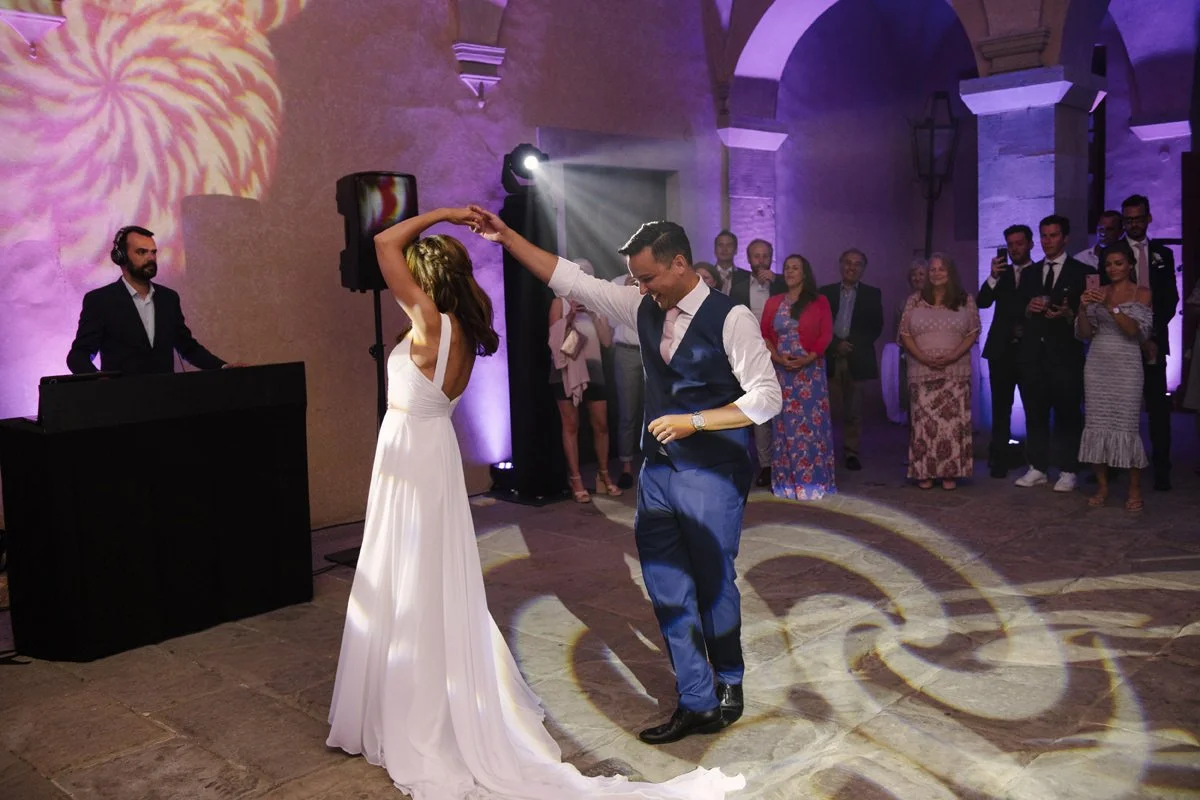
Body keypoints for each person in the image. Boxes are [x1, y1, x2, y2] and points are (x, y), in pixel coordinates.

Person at [326, 207, 744, 799]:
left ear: (423, 283)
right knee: (429, 578)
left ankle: (413, 703)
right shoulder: (462, 331)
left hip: (412, 458)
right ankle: (431, 683)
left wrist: (445, 213)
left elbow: (383, 241)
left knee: (407, 575)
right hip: (431, 454)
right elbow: (566, 280)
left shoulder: (427, 322)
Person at [470, 206, 780, 748]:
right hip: (657, 474)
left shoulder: (731, 318)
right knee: (666, 588)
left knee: (712, 582)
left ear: (680, 264)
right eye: (637, 280)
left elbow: (767, 397)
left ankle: (729, 681)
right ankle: (696, 698)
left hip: (712, 472)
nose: (641, 288)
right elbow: (568, 278)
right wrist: (508, 237)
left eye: (649, 277)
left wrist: (695, 421)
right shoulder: (642, 305)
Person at [67, 226, 231, 374]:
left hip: (166, 398)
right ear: (121, 257)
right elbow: (78, 355)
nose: (151, 258)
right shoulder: (100, 301)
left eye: (153, 252)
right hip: (121, 401)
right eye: (141, 252)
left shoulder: (169, 299)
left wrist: (223, 367)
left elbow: (188, 347)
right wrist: (97, 379)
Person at [1014, 215, 1095, 492]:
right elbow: (1016, 312)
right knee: (1034, 412)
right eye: (1044, 236)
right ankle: (1037, 466)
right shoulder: (1030, 273)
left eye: (1054, 235)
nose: (1048, 241)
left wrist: (1068, 313)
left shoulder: (1081, 272)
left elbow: (1092, 317)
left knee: (1067, 414)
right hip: (1034, 355)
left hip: (1065, 355)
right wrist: (1028, 308)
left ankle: (1068, 468)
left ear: (1066, 238)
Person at [1076, 241, 1153, 511]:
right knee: (1096, 425)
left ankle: (1133, 488)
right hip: (1097, 365)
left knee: (1127, 427)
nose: (1112, 268)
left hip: (1127, 365)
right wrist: (1083, 308)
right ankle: (1103, 486)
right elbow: (1085, 333)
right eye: (1108, 264)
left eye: (1118, 263)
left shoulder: (1141, 293)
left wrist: (1110, 304)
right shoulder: (1097, 292)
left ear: (1130, 265)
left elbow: (1135, 331)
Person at [899, 253, 980, 490]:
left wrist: (953, 356)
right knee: (923, 424)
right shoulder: (914, 300)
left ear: (951, 272)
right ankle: (923, 471)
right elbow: (904, 333)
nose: (936, 273)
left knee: (951, 425)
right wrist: (922, 357)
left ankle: (950, 472)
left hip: (954, 370)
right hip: (921, 370)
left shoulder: (966, 300)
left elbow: (973, 331)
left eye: (941, 269)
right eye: (932, 269)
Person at [760, 254, 835, 500]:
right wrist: (778, 358)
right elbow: (765, 335)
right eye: (787, 268)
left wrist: (808, 358)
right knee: (785, 428)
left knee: (811, 429)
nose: (791, 272)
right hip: (782, 372)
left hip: (810, 373)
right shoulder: (773, 303)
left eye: (796, 268)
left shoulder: (819, 301)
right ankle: (787, 483)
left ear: (805, 273)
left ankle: (813, 484)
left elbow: (826, 334)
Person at [548, 259, 621, 502]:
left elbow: (607, 342)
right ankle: (576, 478)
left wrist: (590, 311)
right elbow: (556, 342)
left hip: (594, 369)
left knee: (601, 424)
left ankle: (603, 475)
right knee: (571, 425)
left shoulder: (597, 305)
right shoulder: (559, 302)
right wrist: (569, 317)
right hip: (566, 370)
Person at [1120, 194, 1178, 491]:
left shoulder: (1162, 254)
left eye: (1138, 218)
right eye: (1128, 219)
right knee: (1122, 408)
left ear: (1148, 218)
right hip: (1122, 341)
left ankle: (1162, 467)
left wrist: (1151, 331)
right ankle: (1117, 465)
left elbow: (1170, 297)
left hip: (1154, 340)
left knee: (1157, 407)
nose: (1133, 224)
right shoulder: (1114, 252)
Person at [978, 224, 1036, 478]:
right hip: (1000, 349)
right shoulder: (1000, 274)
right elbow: (982, 301)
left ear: (1030, 244)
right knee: (1000, 407)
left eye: (1019, 243)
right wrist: (992, 275)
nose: (1014, 249)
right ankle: (998, 459)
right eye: (1010, 244)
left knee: (1035, 406)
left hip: (1030, 349)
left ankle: (1036, 460)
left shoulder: (1039, 272)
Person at [819, 248, 884, 471]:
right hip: (830, 356)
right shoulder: (824, 293)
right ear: (840, 265)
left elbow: (875, 326)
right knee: (826, 408)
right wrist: (836, 343)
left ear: (863, 269)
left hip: (858, 357)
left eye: (857, 264)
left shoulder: (872, 294)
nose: (852, 267)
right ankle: (822, 450)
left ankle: (851, 452)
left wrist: (850, 343)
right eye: (848, 262)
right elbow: (819, 324)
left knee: (853, 410)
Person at [734, 239, 788, 485]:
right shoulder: (738, 285)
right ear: (748, 259)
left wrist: (776, 282)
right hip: (751, 354)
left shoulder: (783, 285)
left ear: (771, 258)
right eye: (756, 256)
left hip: (781, 353)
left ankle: (786, 463)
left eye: (765, 256)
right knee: (760, 411)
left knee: (784, 411)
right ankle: (766, 466)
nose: (761, 261)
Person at [609, 272, 644, 490]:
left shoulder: (654, 280)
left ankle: (658, 464)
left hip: (652, 351)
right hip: (625, 351)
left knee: (656, 411)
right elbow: (610, 322)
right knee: (627, 412)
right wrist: (625, 294)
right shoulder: (615, 284)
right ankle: (626, 467)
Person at [712, 229, 745, 296]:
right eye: (720, 245)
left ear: (736, 250)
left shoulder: (745, 277)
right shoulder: (707, 275)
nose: (724, 249)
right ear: (715, 250)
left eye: (729, 245)